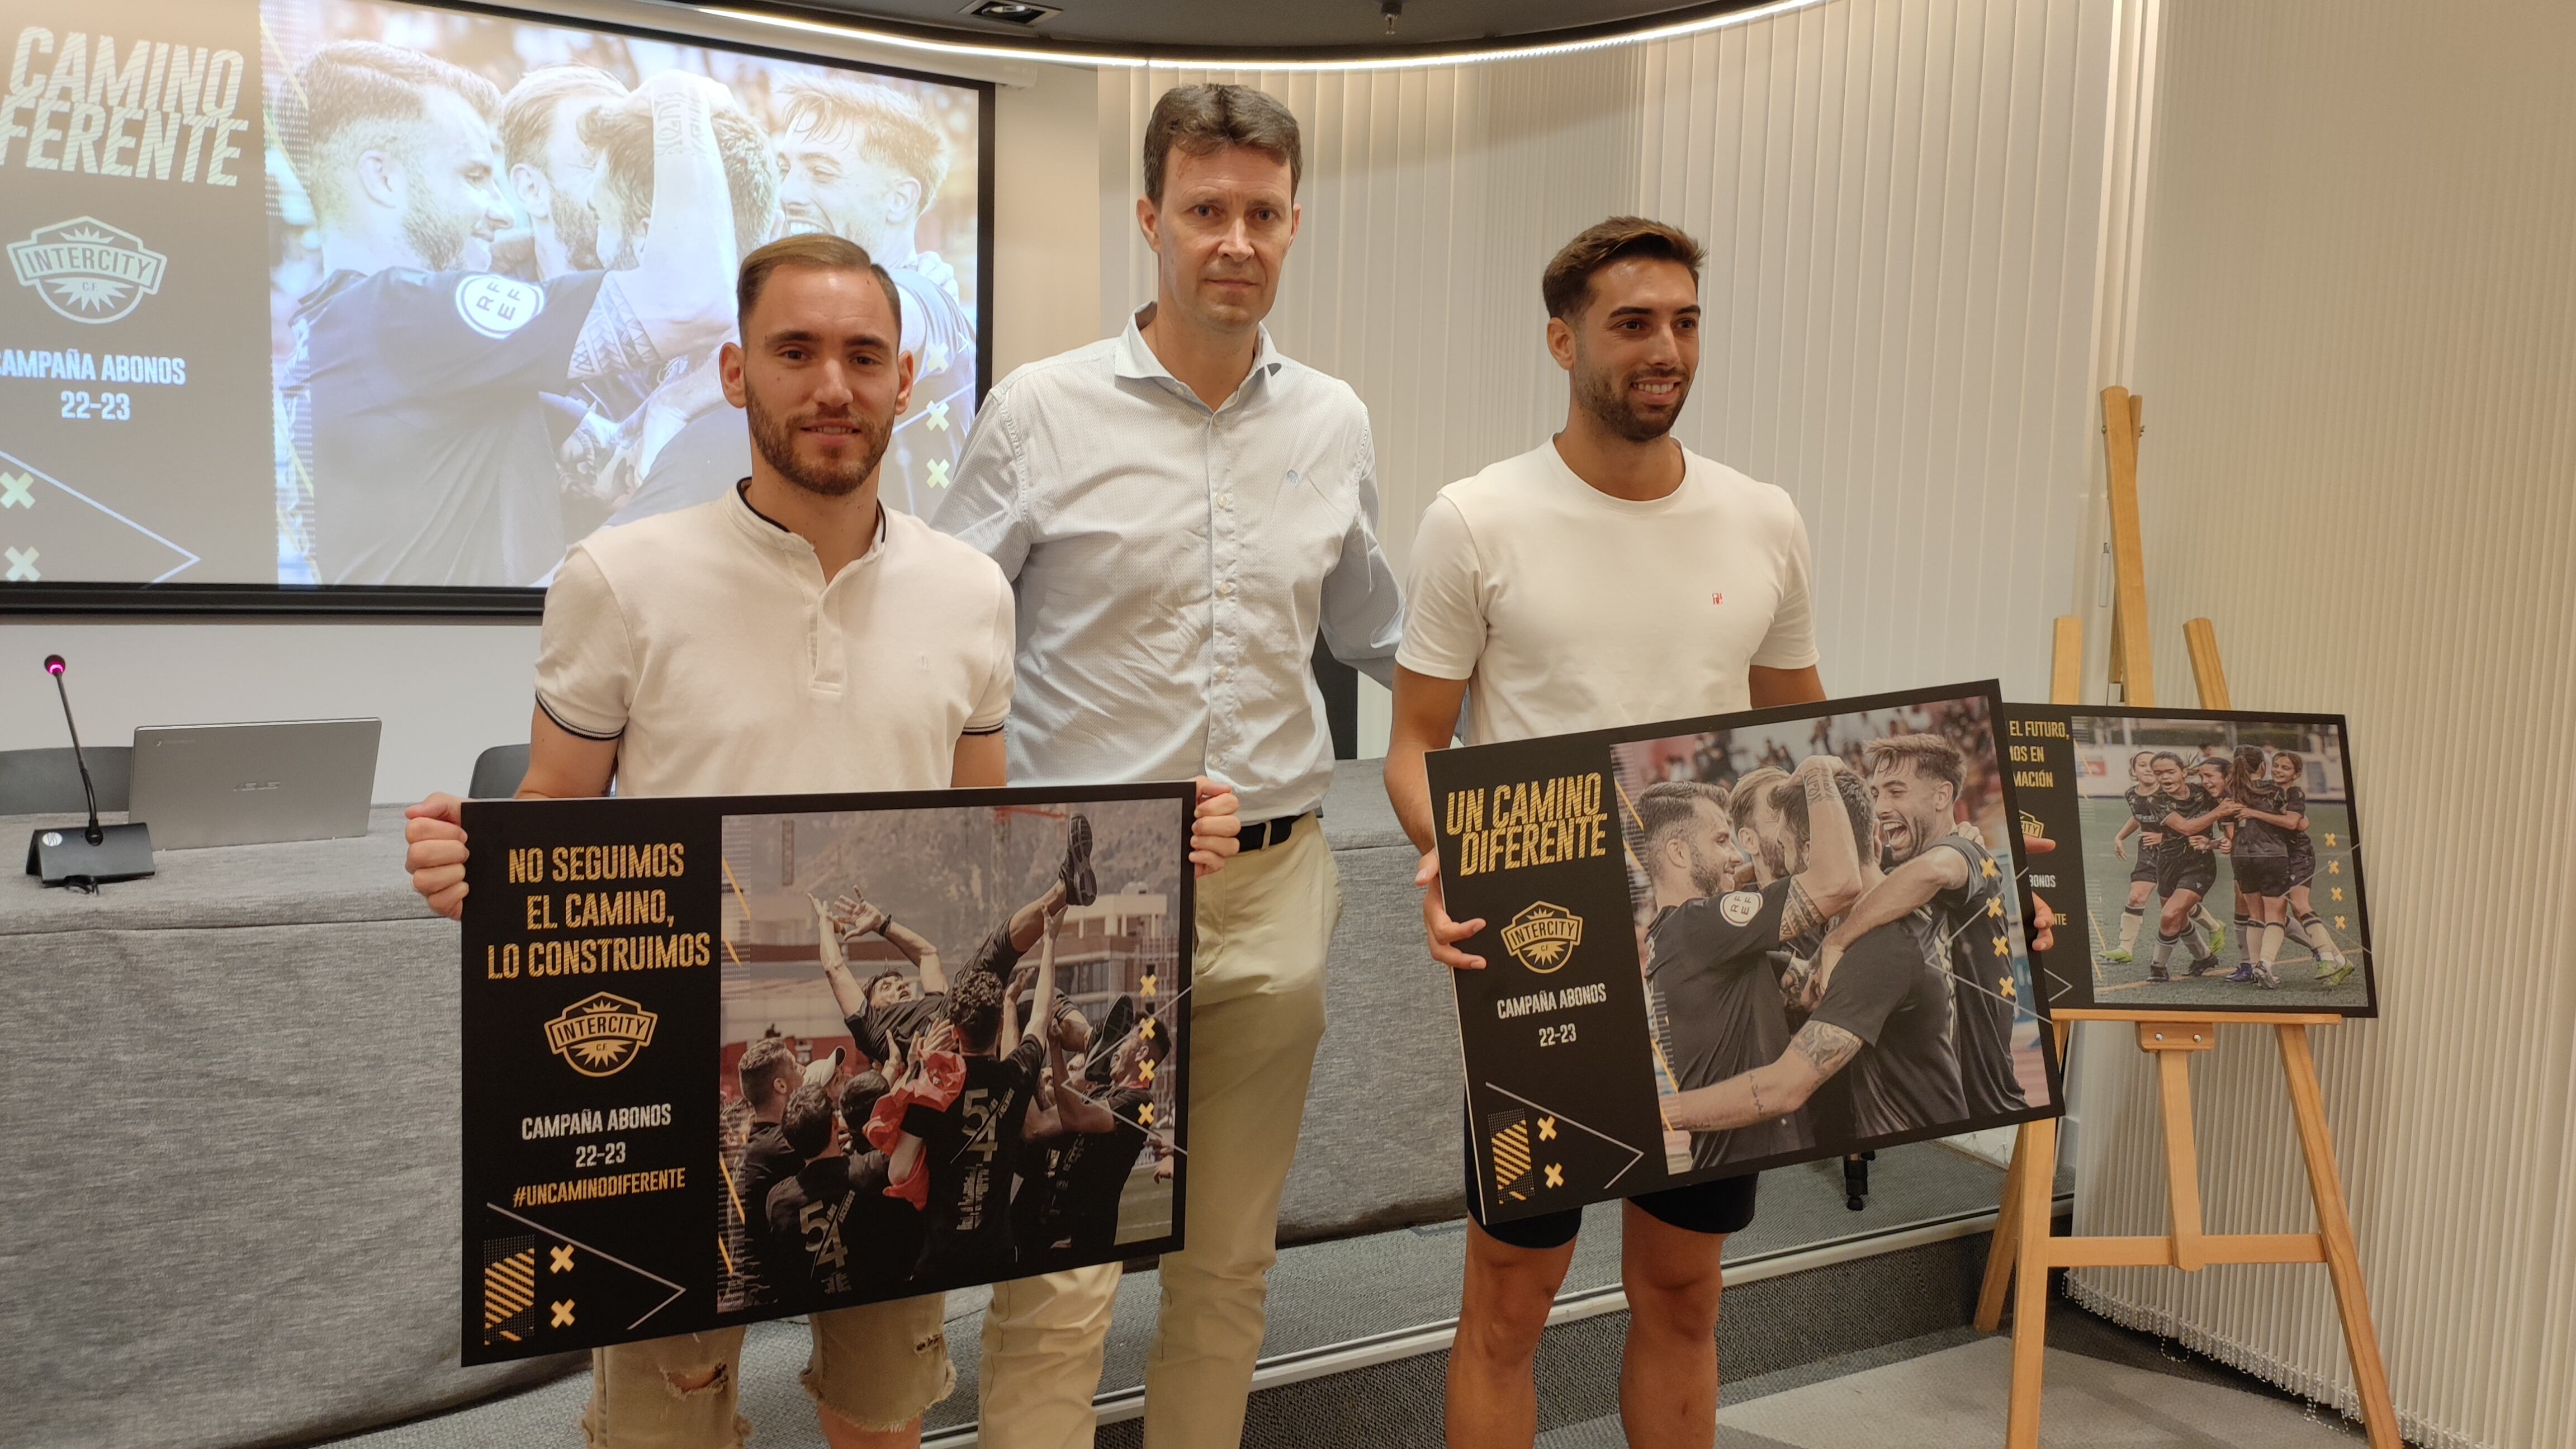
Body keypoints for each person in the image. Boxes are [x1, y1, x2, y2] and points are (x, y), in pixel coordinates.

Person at [402, 231, 1240, 1447]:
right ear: (737, 373)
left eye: (863, 356)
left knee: (885, 1412)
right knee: (664, 1423)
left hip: (891, 1094)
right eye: (796, 352)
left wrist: (1160, 850)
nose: (833, 386)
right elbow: (553, 802)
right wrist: (467, 860)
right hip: (663, 1064)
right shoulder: (617, 575)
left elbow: (991, 830)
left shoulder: (971, 591)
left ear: (908, 383)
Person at [933, 83, 1403, 1449]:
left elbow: (1383, 628)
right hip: (1087, 897)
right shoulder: (1038, 413)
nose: (1235, 241)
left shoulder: (1333, 422)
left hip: (1276, 885)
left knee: (1230, 1260)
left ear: (1295, 223)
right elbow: (953, 631)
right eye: (1205, 211)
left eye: (1262, 213)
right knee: (1066, 1264)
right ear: (1151, 219)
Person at [1384, 215, 1823, 1449]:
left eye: (1685, 321)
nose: (1665, 347)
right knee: (1512, 1304)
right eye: (1634, 323)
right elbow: (1416, 740)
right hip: (1550, 960)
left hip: (1713, 966)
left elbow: (1806, 742)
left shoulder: (1764, 519)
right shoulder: (1476, 520)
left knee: (1684, 1294)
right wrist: (1444, 856)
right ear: (1562, 338)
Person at [284, 44, 738, 586]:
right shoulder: (394, 314)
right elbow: (694, 299)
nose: (502, 211)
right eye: (474, 176)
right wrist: (679, 98)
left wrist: (677, 398)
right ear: (383, 179)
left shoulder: (374, 338)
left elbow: (623, 468)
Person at [616, 76, 976, 524]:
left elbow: (864, 320)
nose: (789, 194)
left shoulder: (926, 296)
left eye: (821, 173)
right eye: (787, 170)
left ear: (899, 201)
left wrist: (674, 403)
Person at [1667, 764, 1968, 1140]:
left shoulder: (1880, 947)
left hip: (1924, 1163)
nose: (1780, 849)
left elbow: (1784, 1089)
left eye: (1785, 841)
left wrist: (1663, 1112)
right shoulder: (1874, 915)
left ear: (1810, 852)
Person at [1637, 767, 1855, 1169]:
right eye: (1721, 840)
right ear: (1678, 852)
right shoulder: (1698, 924)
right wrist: (1818, 771)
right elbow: (1839, 882)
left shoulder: (1677, 937)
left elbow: (1810, 988)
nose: (1736, 855)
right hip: (1760, 1169)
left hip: (1737, 1165)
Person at [1805, 736, 2029, 1117]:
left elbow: (1932, 870)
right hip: (1947, 1114)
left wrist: (1837, 942)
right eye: (1876, 794)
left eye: (1896, 792)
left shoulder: (1966, 852)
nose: (1881, 808)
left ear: (1942, 797)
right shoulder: (1901, 870)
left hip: (1991, 1111)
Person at [911, 915, 1061, 1285]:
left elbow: (900, 1169)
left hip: (938, 1259)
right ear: (998, 1028)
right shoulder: (1016, 1074)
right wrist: (1050, 942)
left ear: (955, 1030)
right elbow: (1040, 1018)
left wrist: (920, 1065)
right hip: (996, 1255)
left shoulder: (931, 1087)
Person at [764, 1074, 926, 1304]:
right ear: (834, 1124)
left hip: (822, 1320)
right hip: (887, 1305)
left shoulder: (778, 1202)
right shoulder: (873, 1171)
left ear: (790, 1142)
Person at [2268, 750, 2352, 982]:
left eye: (2285, 768)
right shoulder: (2269, 790)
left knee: (2300, 906)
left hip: (2299, 854)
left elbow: (2296, 822)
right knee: (2288, 910)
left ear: (2296, 774)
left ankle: (2326, 959)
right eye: (2276, 765)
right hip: (2278, 856)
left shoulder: (2294, 792)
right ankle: (2342, 962)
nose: (2278, 770)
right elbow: (2302, 822)